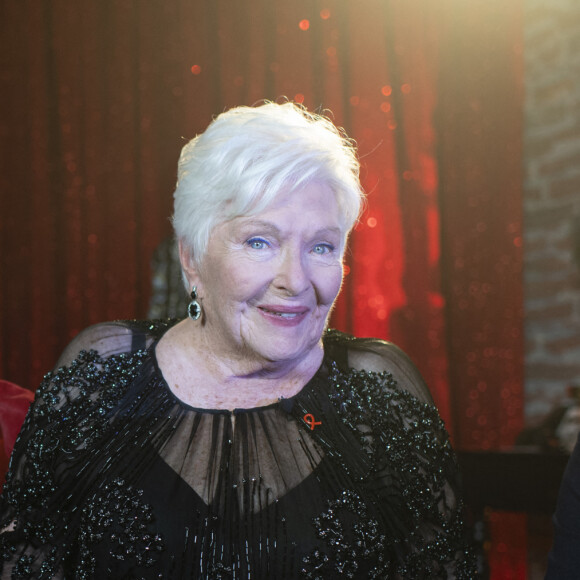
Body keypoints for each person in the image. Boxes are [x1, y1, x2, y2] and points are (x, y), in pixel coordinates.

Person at [0, 102, 475, 578]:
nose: (295, 279)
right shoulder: (103, 372)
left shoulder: (378, 391)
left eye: (321, 246)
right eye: (259, 242)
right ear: (191, 258)